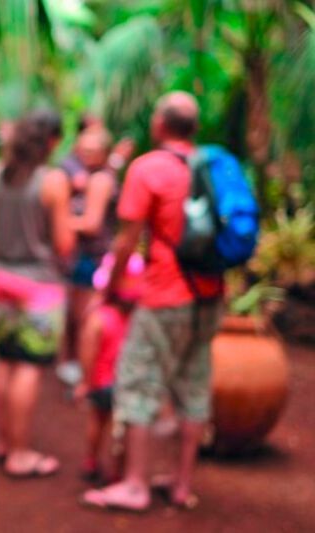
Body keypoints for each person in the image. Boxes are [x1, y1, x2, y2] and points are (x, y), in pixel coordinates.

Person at [82, 92, 224, 511]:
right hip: (210, 296)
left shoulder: (148, 168)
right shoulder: (213, 166)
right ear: (193, 128)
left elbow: (127, 240)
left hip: (165, 294)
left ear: (160, 125)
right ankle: (181, 485)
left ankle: (135, 485)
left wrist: (109, 288)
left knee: (138, 383)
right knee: (194, 386)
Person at [0, 110, 75, 477]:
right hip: (39, 286)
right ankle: (20, 454)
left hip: (1, 279)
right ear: (50, 141)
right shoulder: (53, 181)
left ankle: (4, 441)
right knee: (28, 366)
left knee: (4, 360)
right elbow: (64, 245)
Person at [57, 127, 120, 388]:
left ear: (104, 152)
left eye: (93, 149)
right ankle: (75, 367)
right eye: (83, 147)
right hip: (82, 257)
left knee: (84, 319)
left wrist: (57, 222)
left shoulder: (100, 181)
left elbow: (91, 223)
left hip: (92, 258)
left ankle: (87, 378)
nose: (86, 152)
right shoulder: (90, 177)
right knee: (74, 316)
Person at [74, 253, 144, 483]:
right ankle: (117, 471)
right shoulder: (137, 319)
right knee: (121, 428)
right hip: (126, 384)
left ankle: (91, 460)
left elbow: (88, 351)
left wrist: (85, 381)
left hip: (101, 383)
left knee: (97, 420)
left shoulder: (99, 318)